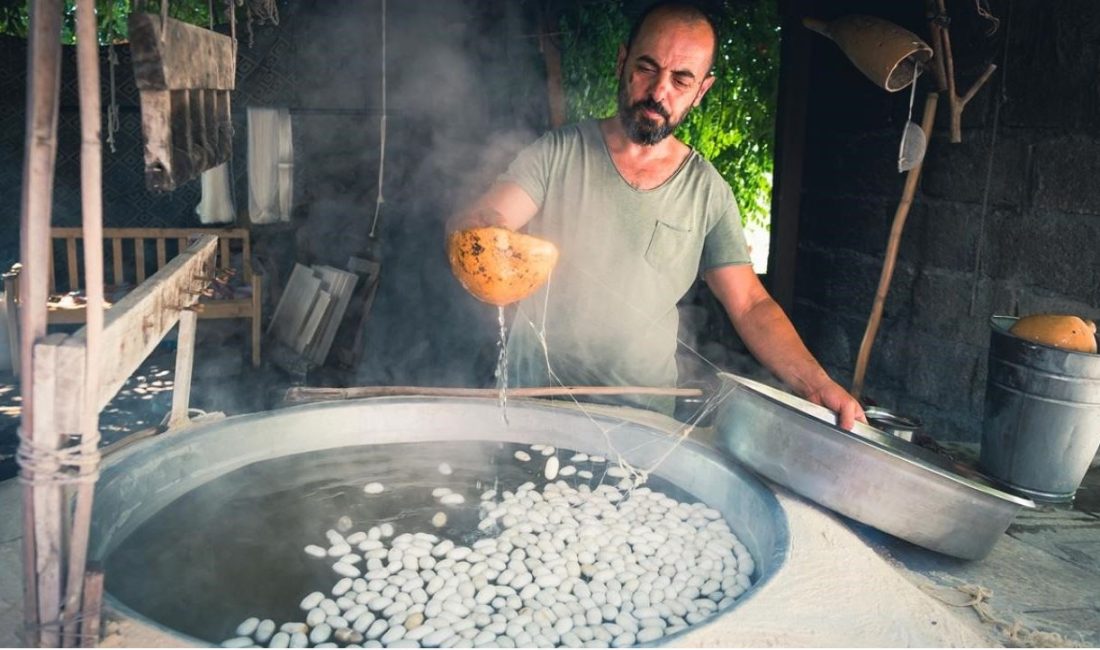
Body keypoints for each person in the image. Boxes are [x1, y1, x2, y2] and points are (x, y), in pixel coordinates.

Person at [450, 1, 865, 429]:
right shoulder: (558, 152)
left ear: (702, 90)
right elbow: (492, 214)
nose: (658, 90)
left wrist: (815, 384)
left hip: (641, 424)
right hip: (531, 405)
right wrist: (480, 230)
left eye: (681, 79)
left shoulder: (708, 191)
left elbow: (750, 303)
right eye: (647, 68)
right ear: (622, 61)